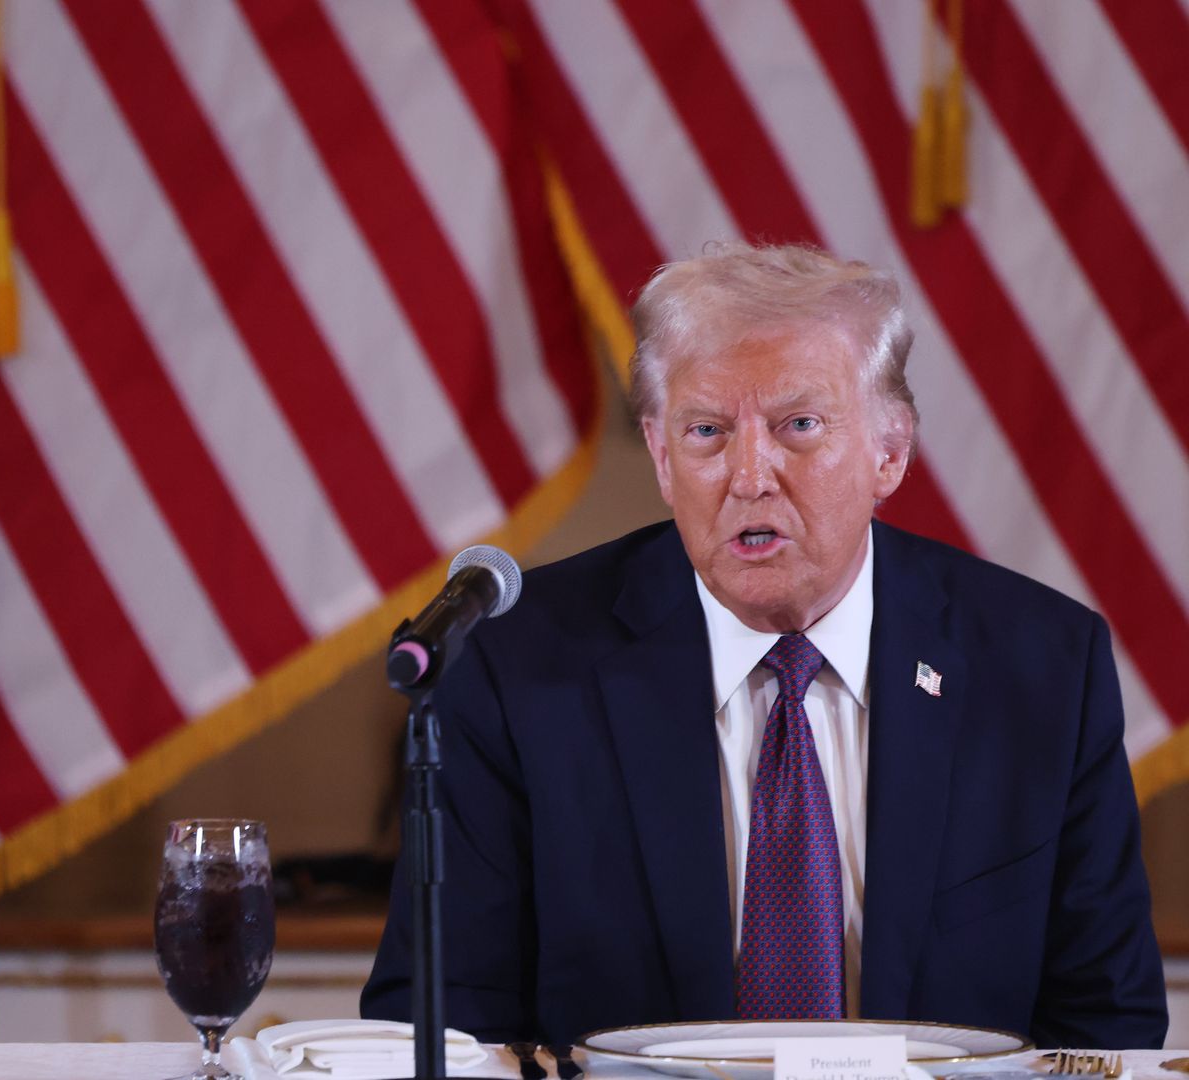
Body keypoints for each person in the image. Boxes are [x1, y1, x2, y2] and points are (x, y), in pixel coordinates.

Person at [362, 243, 1166, 1049]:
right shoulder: (518, 668)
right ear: (662, 456)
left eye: (800, 426)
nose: (749, 474)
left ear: (890, 451)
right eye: (707, 430)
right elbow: (437, 1029)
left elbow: (1104, 1031)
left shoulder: (1042, 667)